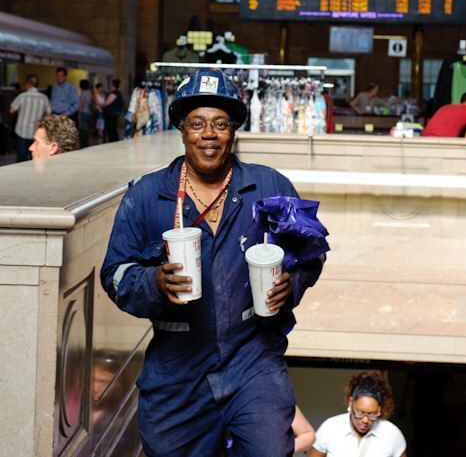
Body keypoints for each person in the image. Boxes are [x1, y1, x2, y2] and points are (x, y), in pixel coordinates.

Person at [100, 67, 325, 456]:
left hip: (252, 358)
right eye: (198, 123)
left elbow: (310, 250)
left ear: (233, 130)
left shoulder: (269, 185)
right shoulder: (148, 195)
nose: (209, 134)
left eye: (220, 124)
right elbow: (115, 275)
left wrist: (294, 281)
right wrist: (154, 282)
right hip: (177, 368)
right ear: (182, 130)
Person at [308, 371, 407, 457]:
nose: (365, 420)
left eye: (372, 414)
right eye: (360, 413)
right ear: (350, 403)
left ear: (379, 409)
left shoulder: (392, 434)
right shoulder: (330, 428)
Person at [8, 74, 51, 162]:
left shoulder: (22, 96)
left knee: (21, 158)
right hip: (35, 132)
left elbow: (11, 110)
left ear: (28, 84)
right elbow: (49, 113)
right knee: (34, 158)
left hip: (22, 131)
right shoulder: (44, 98)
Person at [98, 78, 126, 142]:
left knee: (111, 128)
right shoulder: (117, 93)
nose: (109, 86)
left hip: (111, 114)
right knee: (112, 128)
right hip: (113, 113)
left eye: (110, 84)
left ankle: (113, 141)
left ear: (113, 85)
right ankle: (114, 140)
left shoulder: (114, 93)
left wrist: (100, 105)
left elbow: (107, 102)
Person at [78, 79, 94, 148]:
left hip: (83, 112)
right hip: (88, 111)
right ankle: (87, 142)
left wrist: (79, 112)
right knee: (87, 128)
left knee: (83, 128)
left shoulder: (83, 92)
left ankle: (84, 143)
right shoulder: (89, 92)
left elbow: (81, 103)